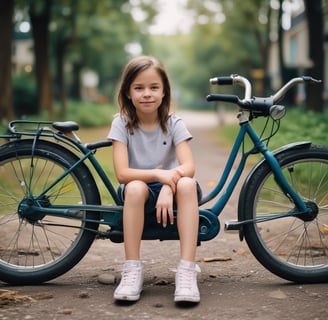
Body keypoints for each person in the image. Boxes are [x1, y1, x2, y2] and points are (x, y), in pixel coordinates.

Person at [108, 55, 201, 303]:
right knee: (136, 188)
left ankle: (187, 270)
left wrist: (168, 187)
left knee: (187, 183)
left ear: (164, 92)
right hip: (137, 189)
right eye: (139, 88)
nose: (146, 94)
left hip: (174, 187)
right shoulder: (121, 123)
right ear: (128, 92)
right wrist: (158, 174)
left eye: (153, 87)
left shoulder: (174, 123)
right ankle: (132, 269)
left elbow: (188, 167)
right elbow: (122, 174)